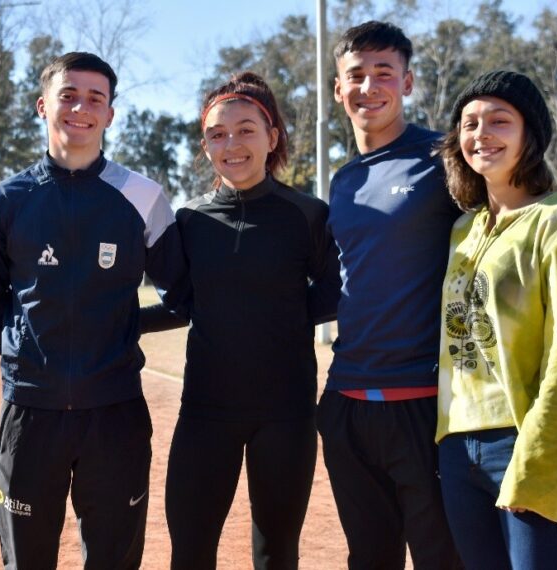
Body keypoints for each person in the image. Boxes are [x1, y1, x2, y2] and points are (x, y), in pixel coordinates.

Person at [315, 21, 557, 569]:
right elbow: (347, 281)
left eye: (383, 73)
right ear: (337, 90)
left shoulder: (448, 159)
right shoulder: (343, 182)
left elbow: (525, 207)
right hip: (352, 403)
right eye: (355, 76)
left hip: (424, 408)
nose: (369, 87)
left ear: (407, 82)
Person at [0, 51, 186, 570]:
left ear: (110, 114)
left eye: (95, 98)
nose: (80, 108)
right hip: (30, 416)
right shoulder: (7, 200)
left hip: (115, 413)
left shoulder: (143, 197)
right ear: (43, 106)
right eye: (69, 95)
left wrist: (123, 329)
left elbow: (182, 296)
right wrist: (31, 353)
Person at [140, 72, 342, 570]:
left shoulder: (307, 215)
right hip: (206, 411)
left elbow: (338, 291)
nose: (232, 143)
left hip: (286, 414)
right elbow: (182, 304)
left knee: (276, 554)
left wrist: (288, 315)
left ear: (271, 137)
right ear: (205, 145)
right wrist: (112, 321)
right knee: (189, 551)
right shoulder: (189, 221)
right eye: (217, 134)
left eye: (246, 129)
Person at [433, 69, 557, 569]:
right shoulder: (462, 228)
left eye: (499, 121)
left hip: (522, 441)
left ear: (531, 134)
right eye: (469, 123)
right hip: (456, 447)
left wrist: (539, 460)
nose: (481, 134)